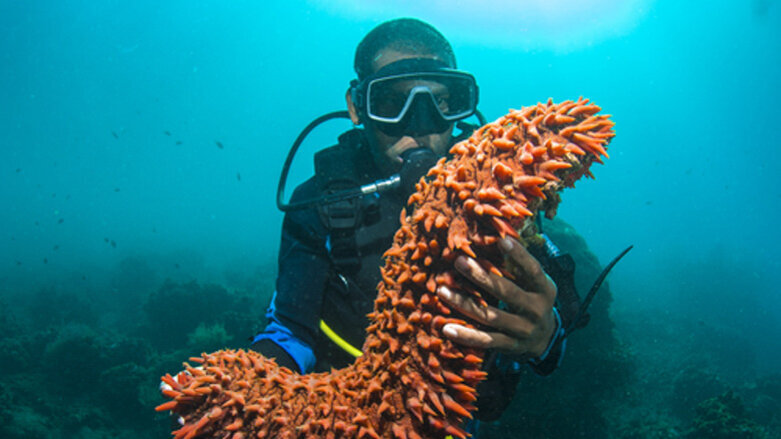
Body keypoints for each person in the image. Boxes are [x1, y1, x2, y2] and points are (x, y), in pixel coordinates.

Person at [253, 18, 574, 433]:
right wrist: (258, 383)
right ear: (357, 107)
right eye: (391, 103)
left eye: (443, 103)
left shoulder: (503, 196)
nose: (419, 126)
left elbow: (553, 326)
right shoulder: (319, 203)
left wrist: (546, 338)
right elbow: (288, 329)